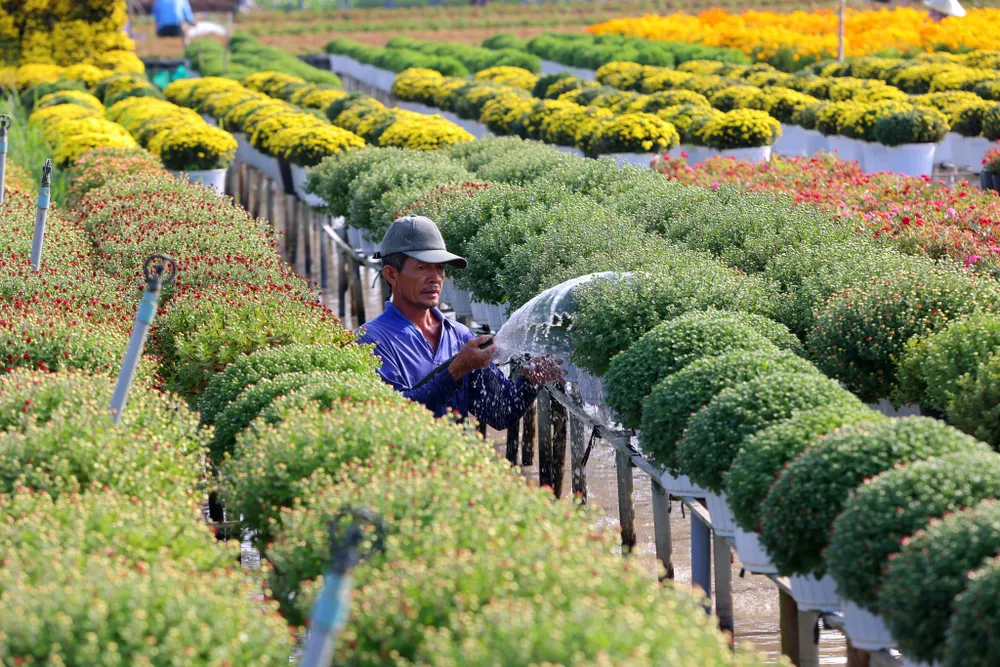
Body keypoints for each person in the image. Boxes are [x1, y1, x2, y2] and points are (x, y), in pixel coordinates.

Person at [357, 215, 564, 429]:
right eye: (422, 267)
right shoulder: (370, 342)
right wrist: (457, 369)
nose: (435, 278)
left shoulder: (458, 336)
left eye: (440, 268)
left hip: (457, 452)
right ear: (391, 274)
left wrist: (530, 380)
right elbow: (396, 416)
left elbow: (501, 413)